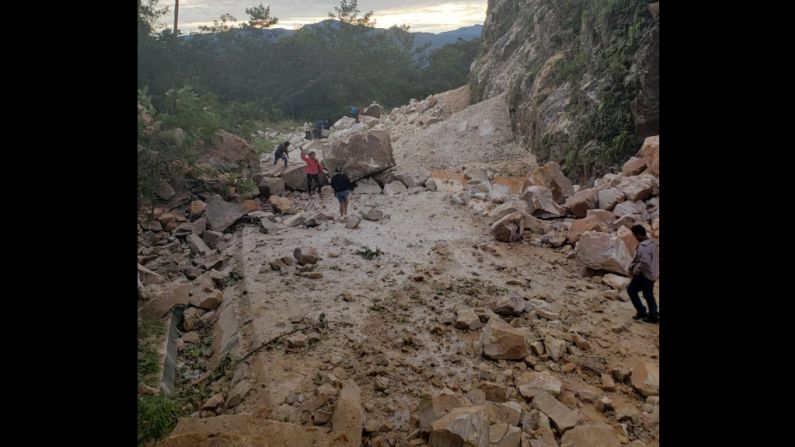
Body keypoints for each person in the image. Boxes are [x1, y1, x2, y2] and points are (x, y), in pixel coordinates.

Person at [627, 224, 659, 323]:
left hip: (644, 274)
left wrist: (635, 270)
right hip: (652, 273)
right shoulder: (653, 243)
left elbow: (644, 262)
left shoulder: (643, 246)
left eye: (635, 235)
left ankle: (643, 312)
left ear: (639, 234)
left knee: (631, 290)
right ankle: (653, 314)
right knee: (648, 294)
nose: (635, 238)